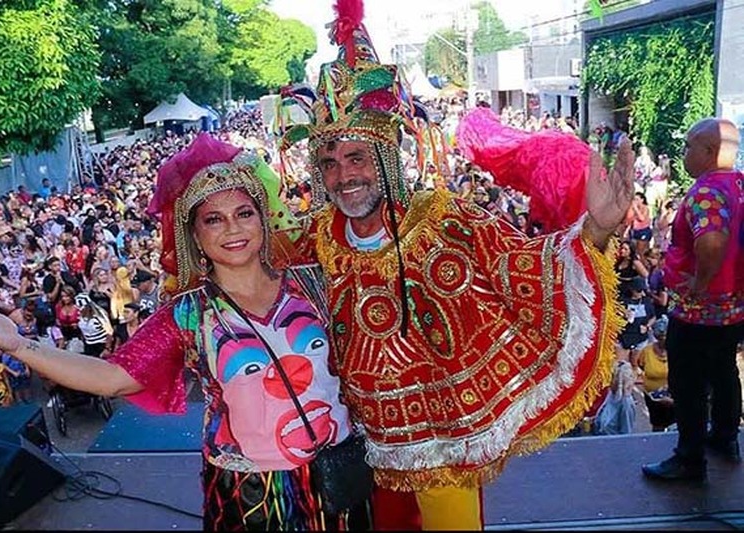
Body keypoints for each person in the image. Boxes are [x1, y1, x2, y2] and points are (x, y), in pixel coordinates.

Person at [276, 2, 633, 529]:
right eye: (329, 163)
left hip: (445, 452)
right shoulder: (311, 243)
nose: (343, 175)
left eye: (357, 158)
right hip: (356, 451)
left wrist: (597, 228)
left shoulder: (449, 223)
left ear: (389, 159)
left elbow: (528, 268)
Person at [0, 133, 370, 531]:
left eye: (244, 213)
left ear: (264, 219)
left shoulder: (317, 282)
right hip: (253, 494)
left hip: (339, 476)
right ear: (194, 235)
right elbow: (112, 378)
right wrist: (20, 345)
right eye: (214, 220)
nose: (233, 229)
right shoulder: (187, 314)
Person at [642, 117, 744, 481]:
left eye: (688, 146)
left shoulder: (706, 192)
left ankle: (689, 459)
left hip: (701, 311)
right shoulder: (740, 185)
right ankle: (726, 438)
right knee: (724, 373)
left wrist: (700, 284)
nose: (683, 153)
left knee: (688, 385)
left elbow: (712, 240)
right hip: (733, 309)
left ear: (708, 151)